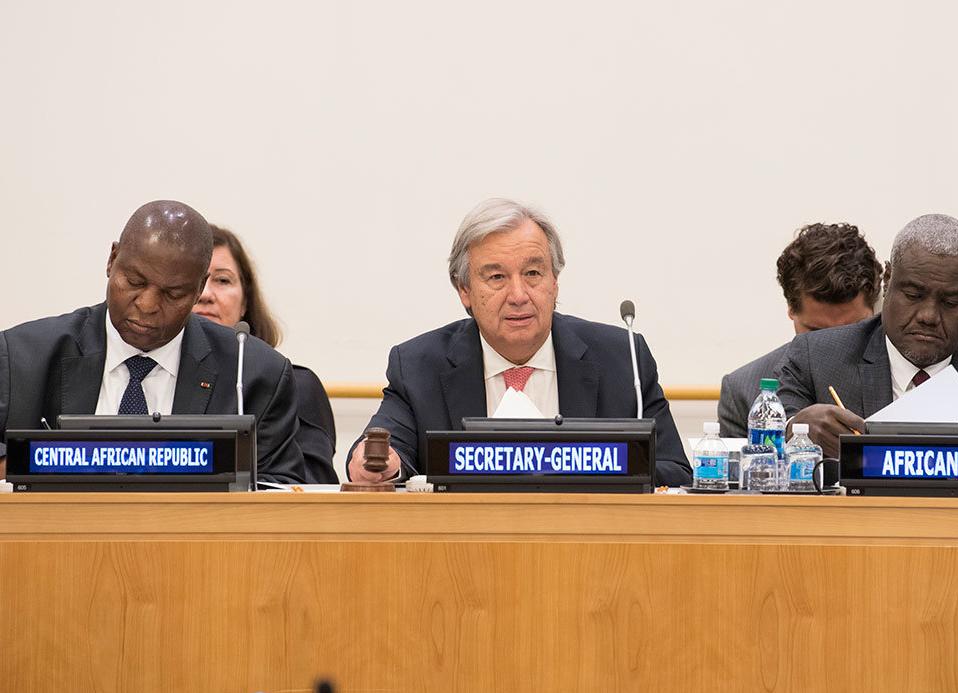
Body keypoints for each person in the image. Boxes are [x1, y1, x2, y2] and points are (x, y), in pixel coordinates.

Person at [348, 197, 692, 486]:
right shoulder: (420, 365)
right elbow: (382, 452)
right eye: (497, 277)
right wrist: (378, 464)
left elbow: (674, 471)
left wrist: (595, 467)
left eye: (532, 274)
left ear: (554, 281)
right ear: (464, 290)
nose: (518, 295)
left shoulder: (622, 359)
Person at [0, 201, 306, 483]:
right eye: (135, 282)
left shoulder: (254, 375)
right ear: (112, 260)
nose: (147, 305)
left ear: (199, 288)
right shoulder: (20, 359)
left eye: (173, 294)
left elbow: (281, 495)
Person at [778, 213, 958, 457]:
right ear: (887, 280)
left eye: (950, 302)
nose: (929, 316)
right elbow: (769, 441)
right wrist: (794, 429)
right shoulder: (817, 357)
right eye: (914, 295)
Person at [192, 225, 338, 484]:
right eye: (195, 281)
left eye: (222, 280)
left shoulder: (296, 386)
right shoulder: (156, 376)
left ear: (245, 302)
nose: (205, 295)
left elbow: (310, 494)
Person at [717, 223, 882, 437]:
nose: (834, 343)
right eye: (816, 332)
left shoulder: (904, 380)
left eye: (852, 329)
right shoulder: (742, 392)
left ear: (876, 309)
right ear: (791, 309)